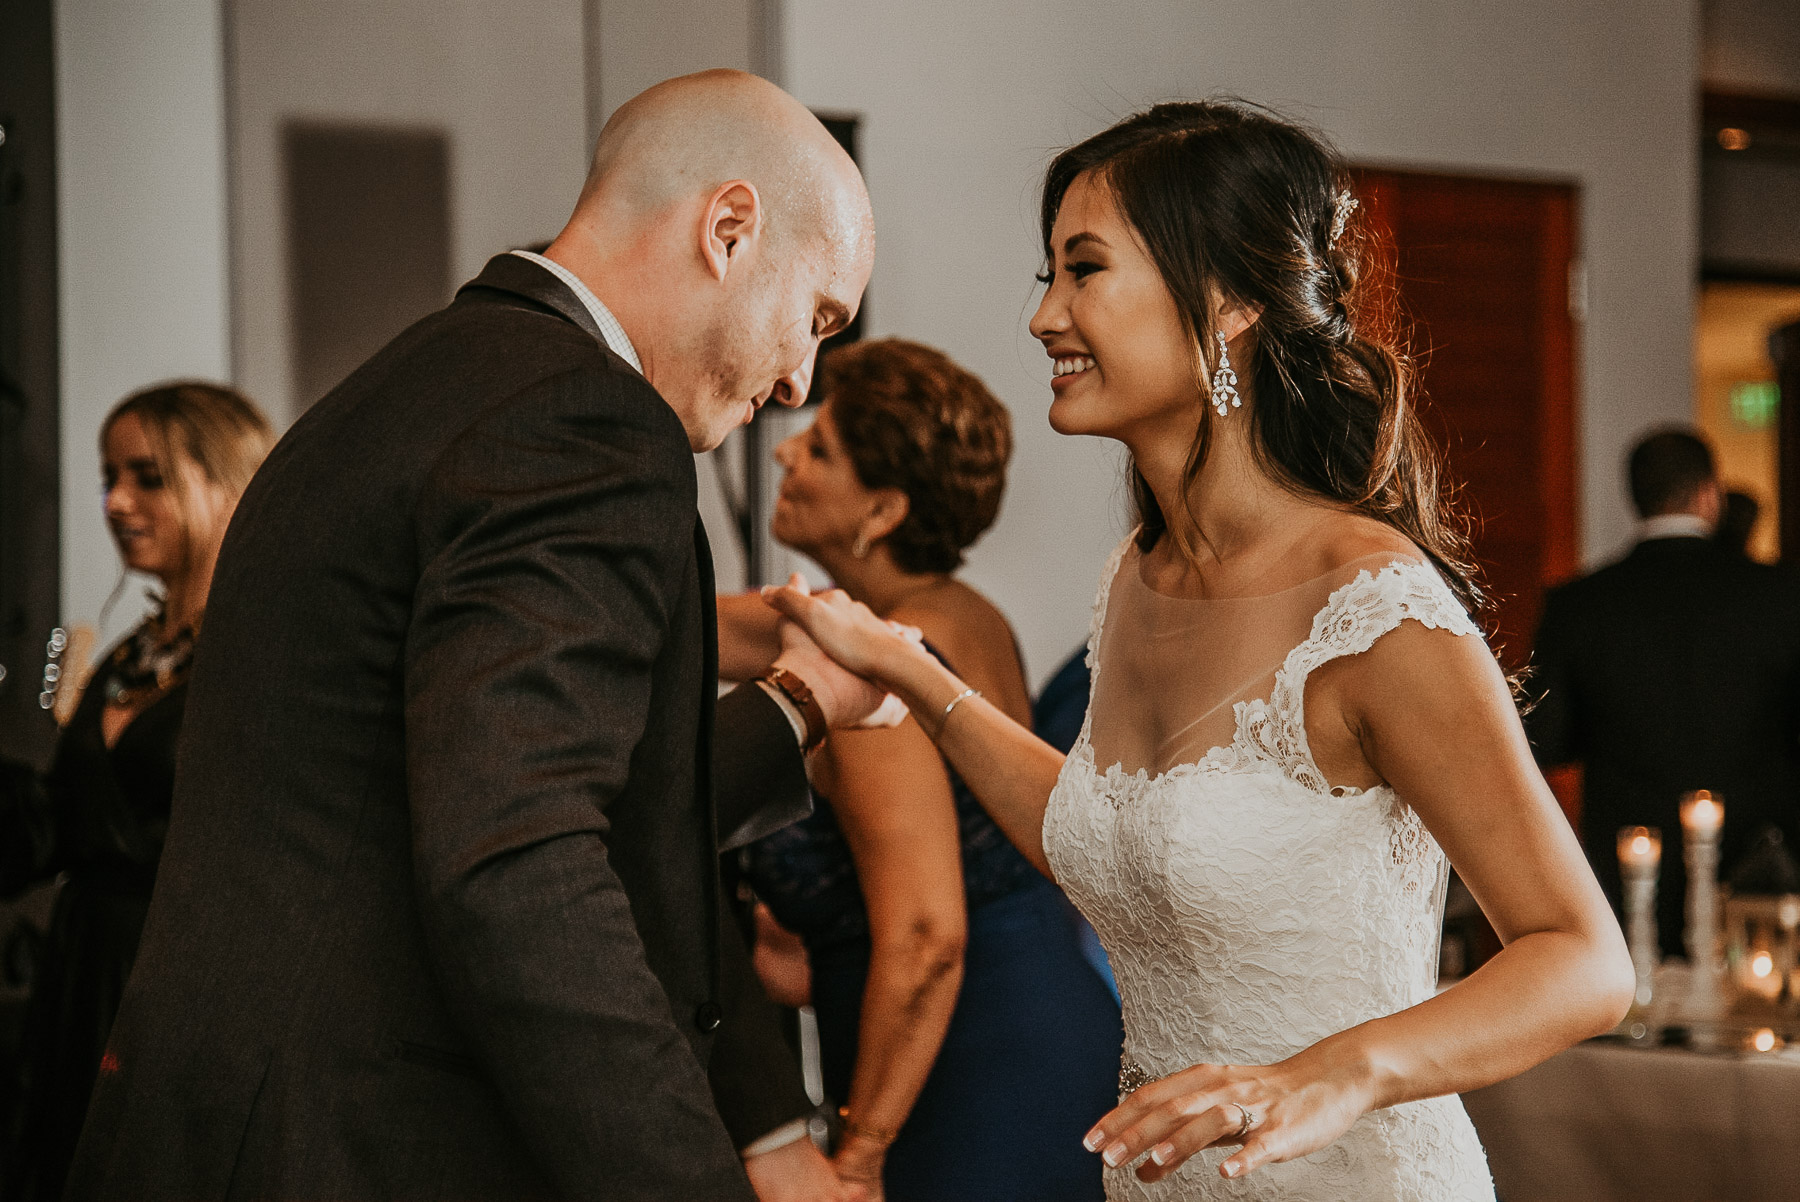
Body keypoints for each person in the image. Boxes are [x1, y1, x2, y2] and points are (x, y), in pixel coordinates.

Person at [765, 100, 1634, 1200]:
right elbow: (1102, 834)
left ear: (1227, 305)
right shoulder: (1141, 574)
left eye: (1084, 270)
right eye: (1049, 275)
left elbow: (1584, 958)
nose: (1044, 316)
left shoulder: (1373, 605)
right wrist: (909, 673)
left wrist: (1336, 1070)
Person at [67, 71, 892, 1202]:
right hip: (363, 1141)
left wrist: (799, 701)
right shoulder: (586, 420)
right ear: (730, 227)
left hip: (225, 1120)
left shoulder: (399, 386)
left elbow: (479, 769)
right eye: (818, 316)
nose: (800, 376)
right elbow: (520, 854)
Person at [723, 339, 1122, 1201]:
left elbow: (926, 936)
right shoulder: (963, 615)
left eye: (820, 447)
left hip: (970, 1078)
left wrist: (859, 1156)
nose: (786, 449)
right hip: (1061, 1028)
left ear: (882, 512)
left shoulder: (875, 673)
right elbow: (688, 621)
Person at [0, 382, 274, 1202]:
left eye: (147, 477)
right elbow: (49, 835)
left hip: (189, 991)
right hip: (83, 983)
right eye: (107, 476)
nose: (115, 501)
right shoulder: (124, 659)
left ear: (227, 485)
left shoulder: (263, 655)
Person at [1529, 428, 1800, 957]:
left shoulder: (1579, 605)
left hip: (1631, 853)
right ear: (1708, 493)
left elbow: (1544, 738)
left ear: (1637, 498)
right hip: (1759, 860)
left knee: (1634, 1019)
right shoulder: (1782, 596)